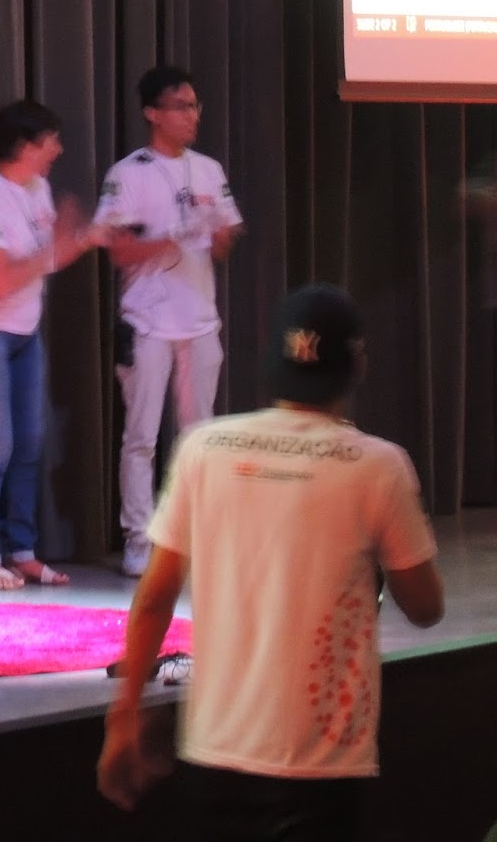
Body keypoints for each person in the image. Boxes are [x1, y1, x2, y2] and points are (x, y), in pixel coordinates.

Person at [99, 284, 445, 837]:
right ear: (356, 365)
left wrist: (123, 718)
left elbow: (154, 597)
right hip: (321, 762)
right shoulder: (379, 466)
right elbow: (426, 607)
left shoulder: (204, 448)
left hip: (213, 751)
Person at [94, 65, 243, 577]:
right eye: (182, 107)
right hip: (148, 321)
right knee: (141, 437)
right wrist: (172, 236)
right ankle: (138, 539)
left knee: (198, 438)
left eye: (195, 106)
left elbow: (224, 242)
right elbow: (117, 251)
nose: (192, 115)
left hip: (199, 321)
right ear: (153, 113)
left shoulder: (208, 169)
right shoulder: (128, 173)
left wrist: (216, 231)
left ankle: (190, 535)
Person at [0, 99, 104, 590]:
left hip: (25, 331)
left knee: (29, 443)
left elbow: (47, 258)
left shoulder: (38, 187)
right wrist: (58, 248)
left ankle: (21, 551)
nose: (58, 150)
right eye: (50, 142)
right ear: (24, 146)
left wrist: (83, 238)